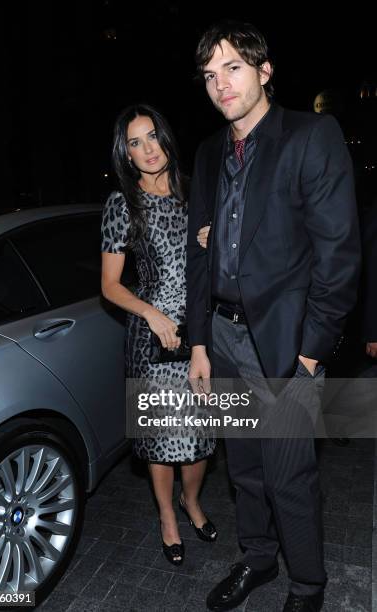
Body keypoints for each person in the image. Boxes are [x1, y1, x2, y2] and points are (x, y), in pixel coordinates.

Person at [186, 20, 361, 612]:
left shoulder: (312, 136)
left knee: (290, 478)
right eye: (210, 75)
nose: (221, 84)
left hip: (285, 347)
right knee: (246, 470)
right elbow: (197, 254)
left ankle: (308, 587)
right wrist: (199, 346)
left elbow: (338, 254)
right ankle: (258, 559)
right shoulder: (209, 152)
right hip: (224, 338)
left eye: (233, 68)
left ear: (264, 71)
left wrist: (311, 351)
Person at [101, 104, 217, 566]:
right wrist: (151, 313)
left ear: (167, 138)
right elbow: (109, 285)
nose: (148, 149)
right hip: (151, 339)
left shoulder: (197, 195)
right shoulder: (122, 204)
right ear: (126, 154)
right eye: (135, 142)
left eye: (152, 137)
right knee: (162, 439)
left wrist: (211, 243)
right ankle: (168, 515)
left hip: (202, 335)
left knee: (201, 435)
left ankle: (193, 502)